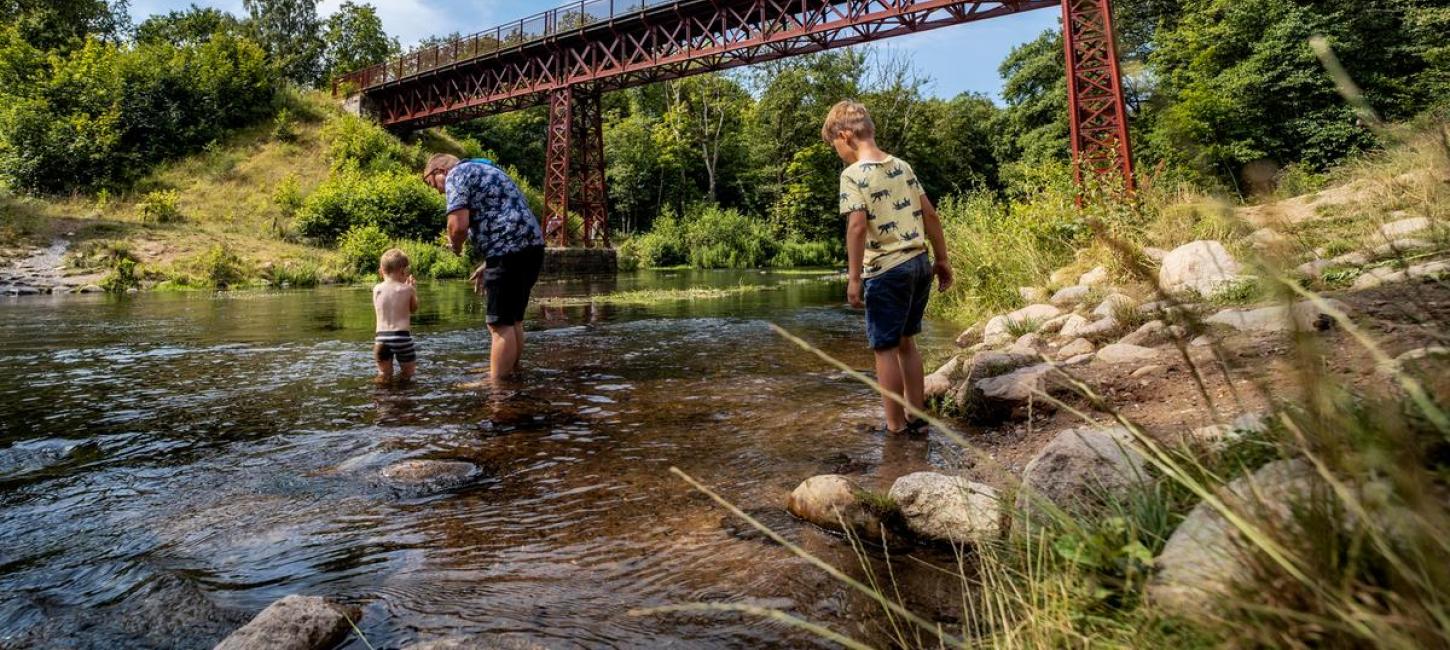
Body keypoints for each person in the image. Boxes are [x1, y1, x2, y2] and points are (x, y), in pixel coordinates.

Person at [823, 100, 954, 434]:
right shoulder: (902, 166)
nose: (837, 152)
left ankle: (895, 426)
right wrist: (942, 259)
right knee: (908, 341)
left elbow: (855, 226)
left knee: (884, 348)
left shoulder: (852, 175)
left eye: (835, 145)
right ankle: (916, 414)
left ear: (846, 135)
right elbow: (931, 215)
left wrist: (853, 278)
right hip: (918, 263)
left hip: (885, 270)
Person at [423, 154, 546, 385]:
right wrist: (489, 264)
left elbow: (457, 226)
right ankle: (510, 369)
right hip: (531, 247)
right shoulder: (486, 170)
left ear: (439, 170)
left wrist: (456, 247)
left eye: (432, 184)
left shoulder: (456, 174)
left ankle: (496, 383)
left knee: (498, 324)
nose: (438, 192)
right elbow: (503, 215)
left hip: (508, 249)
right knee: (513, 319)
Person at [373, 248, 419, 382]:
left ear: (381, 271)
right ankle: (402, 397)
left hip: (381, 338)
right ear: (403, 271)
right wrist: (413, 290)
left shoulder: (377, 289)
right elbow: (413, 308)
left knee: (383, 374)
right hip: (401, 338)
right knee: (408, 374)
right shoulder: (407, 289)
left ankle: (381, 398)